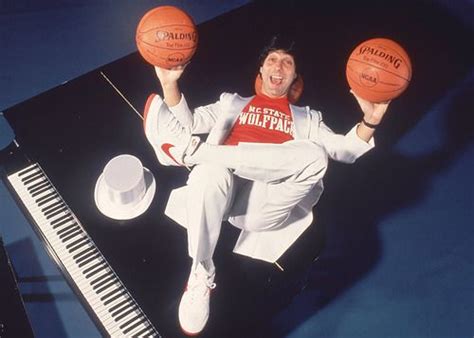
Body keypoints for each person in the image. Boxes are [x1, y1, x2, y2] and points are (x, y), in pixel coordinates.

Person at [143, 36, 390, 335]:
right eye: (272, 59)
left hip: (265, 204)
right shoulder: (230, 102)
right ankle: (200, 273)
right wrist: (169, 83)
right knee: (210, 172)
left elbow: (345, 152)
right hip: (222, 187)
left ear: (294, 78)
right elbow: (188, 125)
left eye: (288, 63)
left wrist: (372, 120)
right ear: (260, 70)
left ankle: (192, 154)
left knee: (315, 155)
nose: (279, 66)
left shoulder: (309, 118)